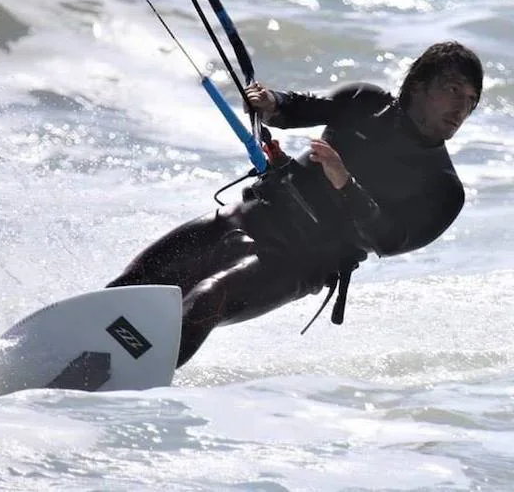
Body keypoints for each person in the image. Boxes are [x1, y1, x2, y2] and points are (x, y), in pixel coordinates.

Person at [106, 41, 483, 368]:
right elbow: (298, 110)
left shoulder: (443, 189)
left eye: (470, 101)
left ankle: (129, 378)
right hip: (251, 217)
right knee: (131, 285)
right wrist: (272, 103)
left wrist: (345, 184)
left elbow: (388, 239)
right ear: (417, 85)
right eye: (452, 90)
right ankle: (80, 349)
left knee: (208, 297)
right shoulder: (364, 102)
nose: (460, 109)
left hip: (299, 262)